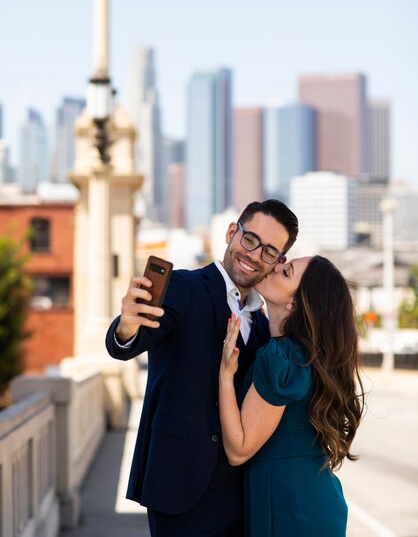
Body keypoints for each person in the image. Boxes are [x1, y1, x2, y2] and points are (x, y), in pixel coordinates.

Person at [105, 199, 299, 537]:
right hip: (179, 483)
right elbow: (127, 344)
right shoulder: (184, 288)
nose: (254, 255)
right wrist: (126, 328)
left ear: (278, 262)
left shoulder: (265, 325)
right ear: (230, 233)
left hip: (240, 493)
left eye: (269, 252)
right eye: (250, 239)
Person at [219, 255, 365, 537]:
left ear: (294, 304)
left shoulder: (283, 356)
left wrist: (226, 376)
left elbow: (238, 449)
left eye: (285, 272)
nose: (274, 266)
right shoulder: (301, 354)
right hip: (307, 499)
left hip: (290, 505)